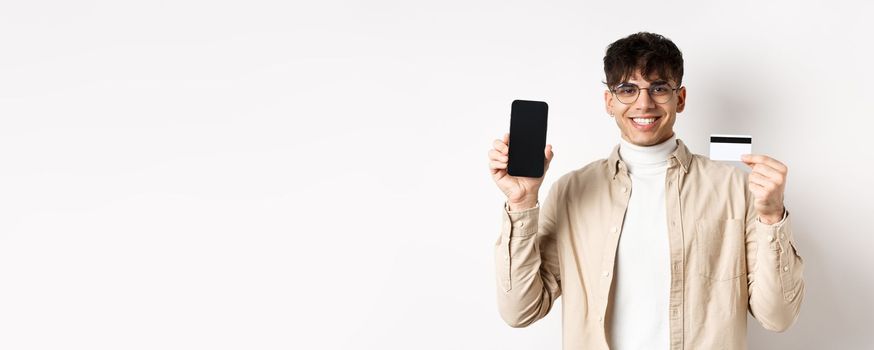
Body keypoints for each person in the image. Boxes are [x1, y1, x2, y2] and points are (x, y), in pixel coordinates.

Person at [487, 32, 804, 349]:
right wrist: (522, 201)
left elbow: (778, 317)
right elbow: (520, 311)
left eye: (659, 88)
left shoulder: (735, 188)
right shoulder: (571, 191)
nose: (644, 102)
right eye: (628, 89)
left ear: (679, 99)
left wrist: (772, 217)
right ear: (609, 102)